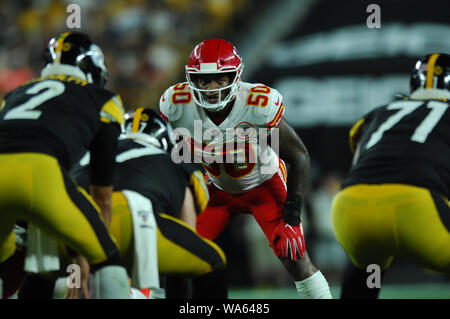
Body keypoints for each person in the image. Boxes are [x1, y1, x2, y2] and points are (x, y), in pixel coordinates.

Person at [160, 39, 332, 299]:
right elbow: (169, 158)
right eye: (204, 80)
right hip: (216, 189)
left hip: (264, 186)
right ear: (191, 79)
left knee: (294, 256)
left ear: (236, 76)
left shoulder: (258, 104)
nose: (211, 88)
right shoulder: (178, 105)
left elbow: (299, 155)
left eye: (220, 79)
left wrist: (293, 215)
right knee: (174, 258)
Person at [0, 32, 130, 299]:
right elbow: (102, 197)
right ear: (93, 69)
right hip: (41, 175)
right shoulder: (103, 100)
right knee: (108, 259)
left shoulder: (14, 95)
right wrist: (84, 258)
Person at [70, 107, 227, 299]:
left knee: (45, 272)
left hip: (73, 233)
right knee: (211, 262)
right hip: (130, 222)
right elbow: (185, 241)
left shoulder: (86, 155)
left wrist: (73, 275)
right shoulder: (176, 163)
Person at [331, 53, 450, 299]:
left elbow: (361, 162)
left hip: (350, 208)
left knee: (365, 266)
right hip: (415, 206)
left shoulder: (379, 113)